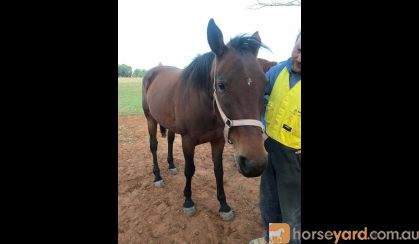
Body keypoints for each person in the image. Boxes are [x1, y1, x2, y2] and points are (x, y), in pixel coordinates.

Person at [250, 32, 301, 244]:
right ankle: (274, 240)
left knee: (292, 212)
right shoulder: (277, 71)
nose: (299, 58)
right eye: (298, 50)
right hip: (270, 148)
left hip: (294, 157)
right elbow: (256, 96)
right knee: (270, 204)